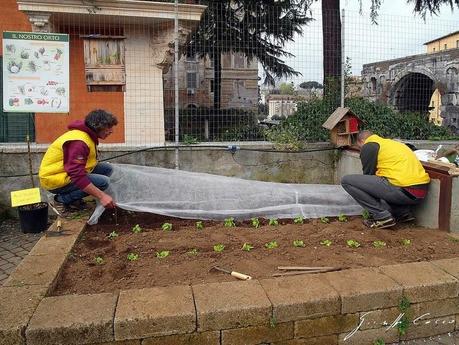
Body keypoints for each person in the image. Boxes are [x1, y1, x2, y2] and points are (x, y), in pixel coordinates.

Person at [341, 130, 430, 229]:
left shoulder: (369, 145)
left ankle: (382, 217)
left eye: (359, 146)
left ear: (361, 141)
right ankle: (402, 213)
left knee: (347, 181)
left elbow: (368, 176)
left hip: (403, 189)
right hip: (421, 192)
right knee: (386, 180)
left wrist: (371, 208)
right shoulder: (392, 144)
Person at [39, 109, 118, 213]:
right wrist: (102, 196)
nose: (111, 131)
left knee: (106, 169)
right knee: (103, 182)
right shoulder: (79, 142)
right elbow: (76, 175)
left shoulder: (86, 135)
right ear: (97, 126)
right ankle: (60, 200)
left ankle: (73, 199)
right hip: (55, 179)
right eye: (108, 127)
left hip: (65, 172)